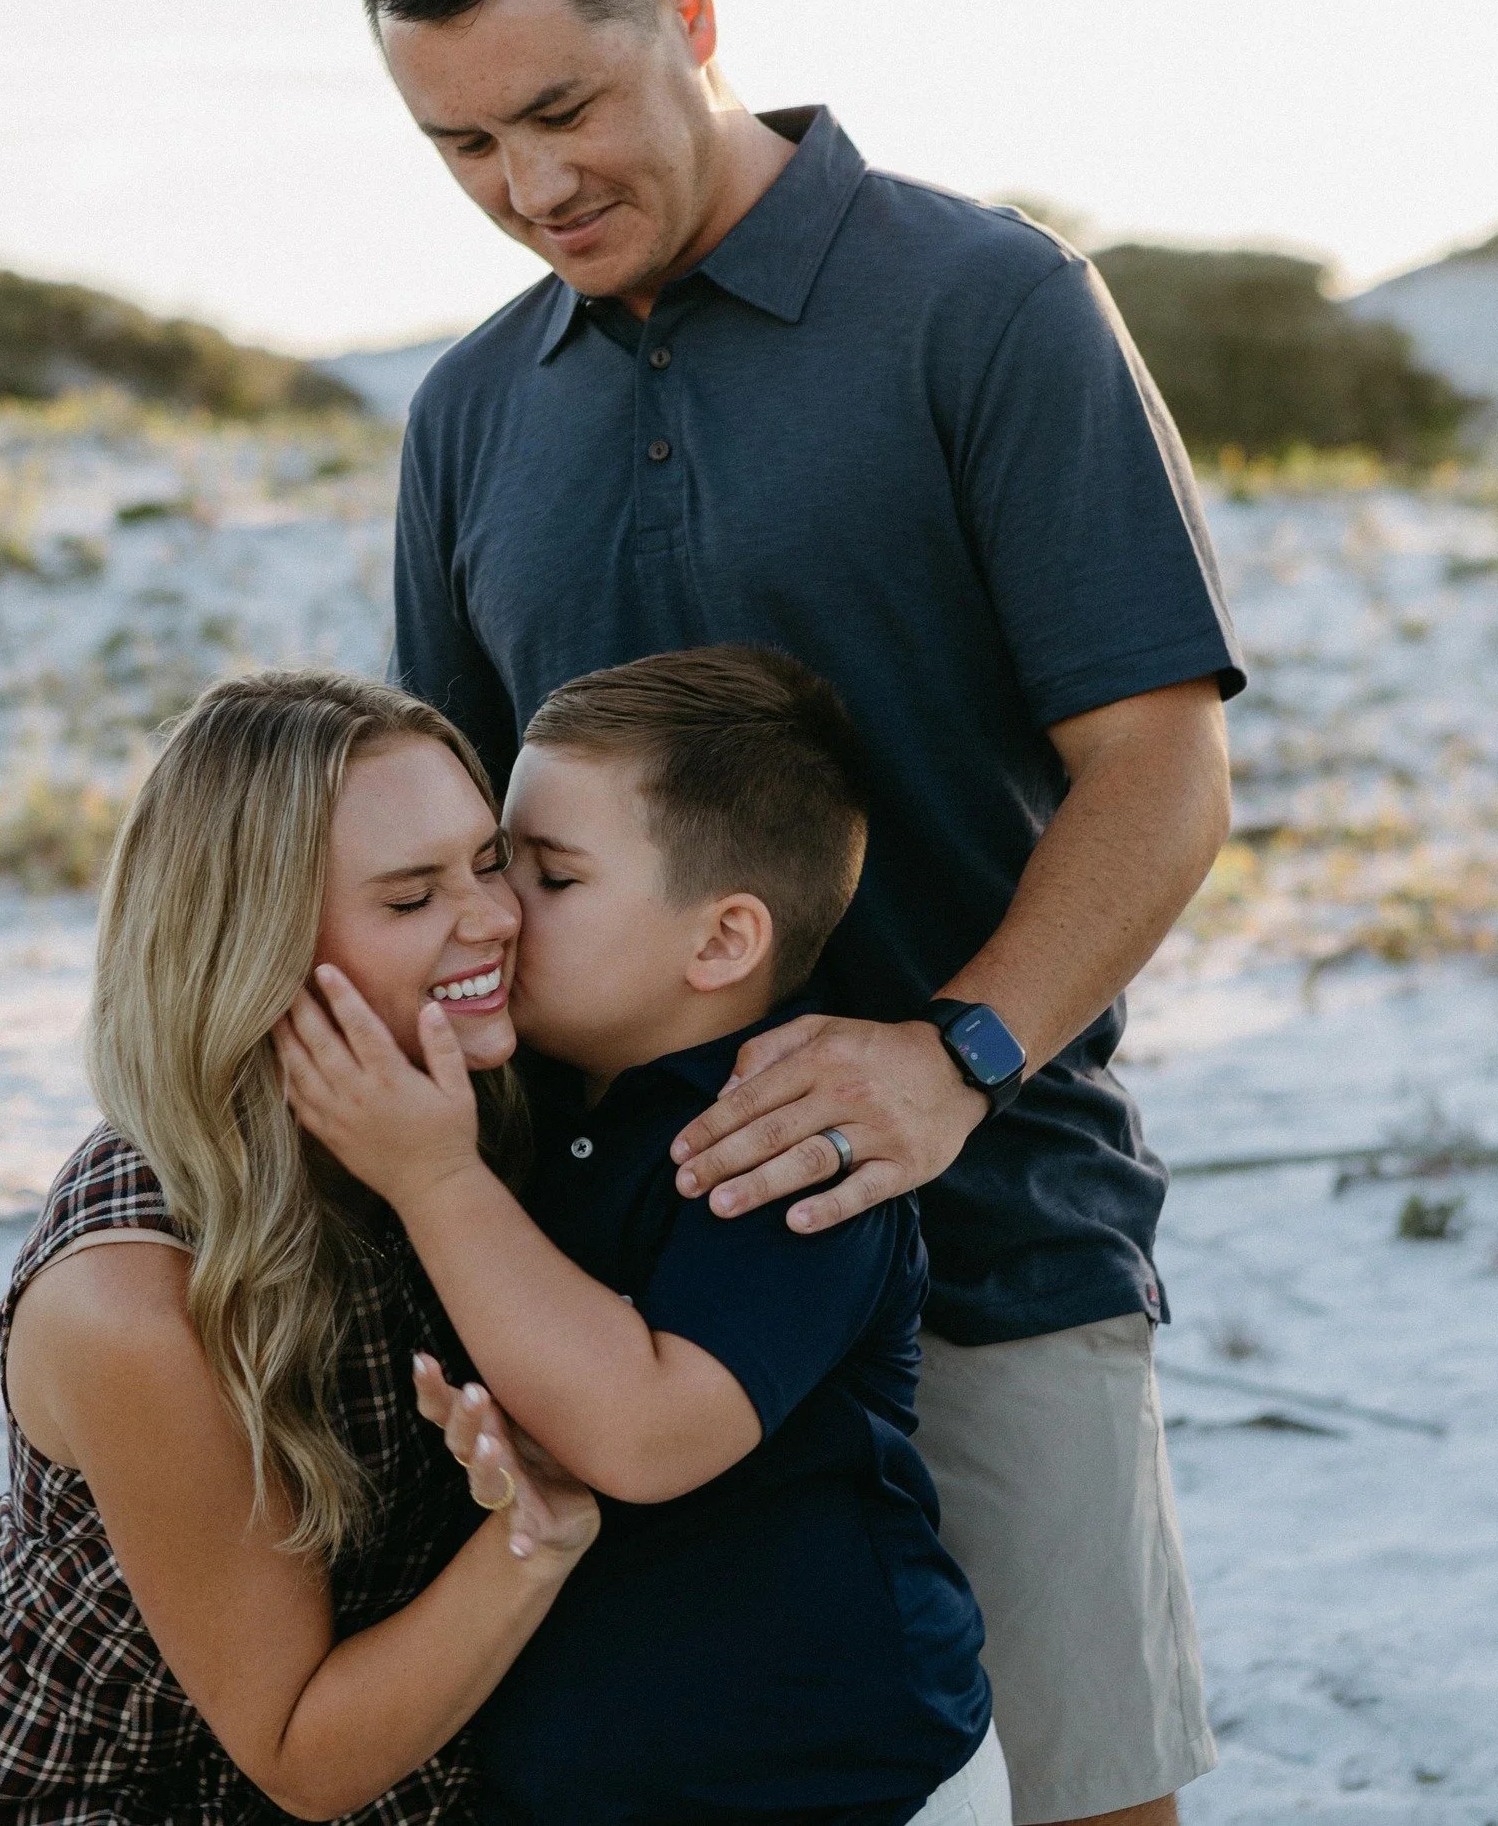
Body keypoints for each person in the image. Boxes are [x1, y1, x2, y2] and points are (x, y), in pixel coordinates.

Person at [358, 0, 1242, 1826]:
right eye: (464, 146)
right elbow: (442, 854)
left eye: (562, 107)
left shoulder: (988, 304)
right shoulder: (468, 415)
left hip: (1001, 1221)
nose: (530, 184)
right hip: (613, 1293)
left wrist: (956, 1054)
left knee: (1094, 1800)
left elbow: (1163, 764)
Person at [281, 646, 1008, 1826]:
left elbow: (643, 1433)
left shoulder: (782, 1141)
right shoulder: (532, 1103)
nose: (499, 909)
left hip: (839, 1780)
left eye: (551, 877)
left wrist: (431, 1177)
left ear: (720, 941)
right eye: (491, 862)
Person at [0, 671, 598, 1825]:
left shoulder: (470, 1092)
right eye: (409, 899)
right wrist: (536, 1540)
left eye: (488, 860)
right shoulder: (137, 1301)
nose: (495, 919)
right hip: (120, 1792)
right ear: (255, 950)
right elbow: (299, 1755)